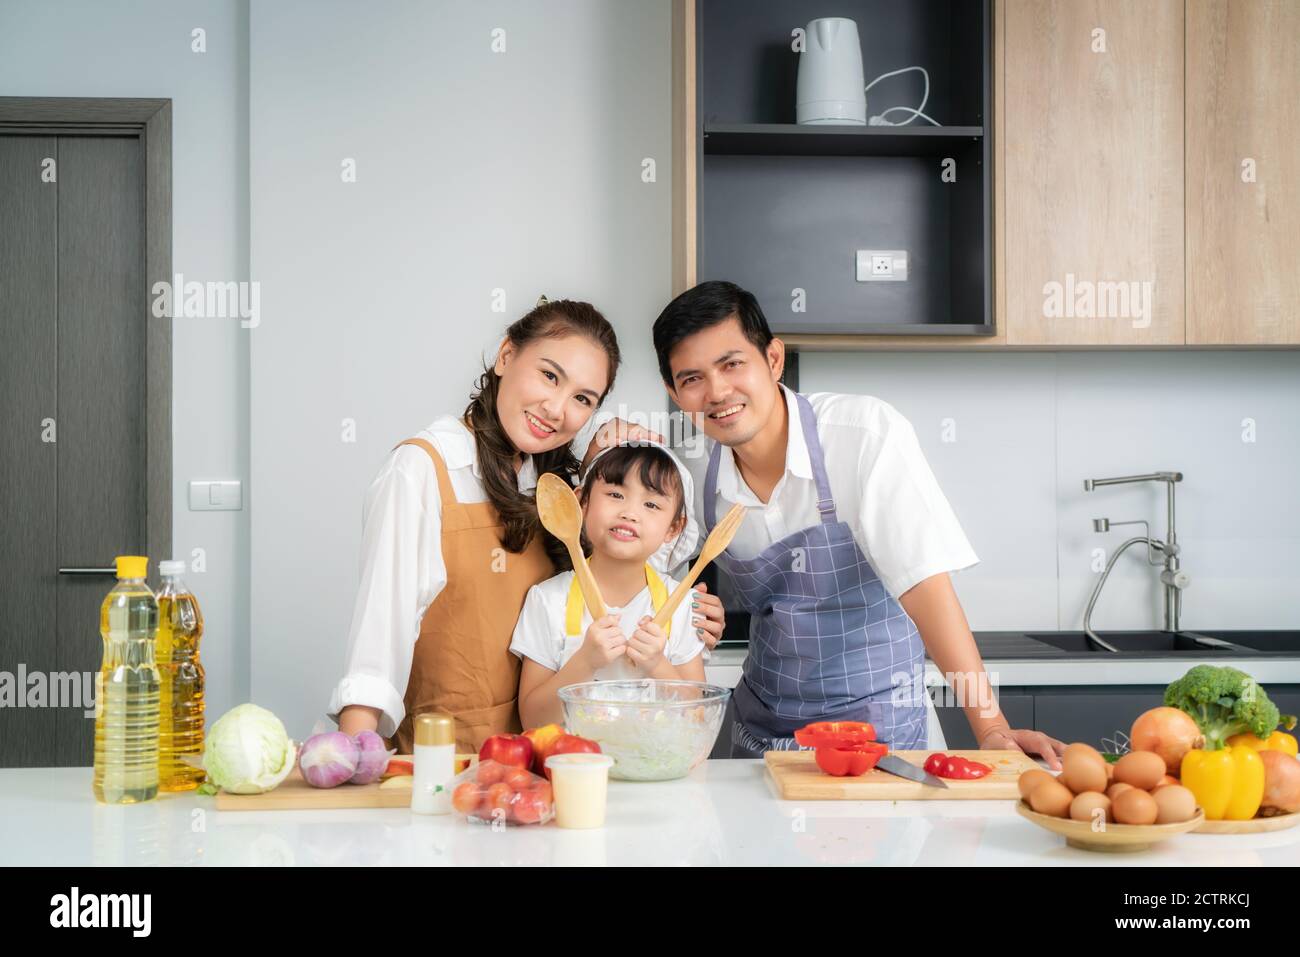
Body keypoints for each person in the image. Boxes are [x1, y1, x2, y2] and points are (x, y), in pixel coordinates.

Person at [651, 280, 1065, 767]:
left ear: (774, 359)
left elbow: (925, 587)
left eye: (732, 363)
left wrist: (991, 727)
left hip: (884, 733)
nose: (718, 392)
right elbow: (640, 576)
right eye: (692, 377)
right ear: (675, 393)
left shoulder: (862, 434)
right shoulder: (693, 470)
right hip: (764, 735)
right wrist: (615, 460)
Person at [327, 298, 724, 753]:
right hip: (449, 761)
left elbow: (625, 559)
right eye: (549, 376)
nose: (557, 409)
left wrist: (691, 612)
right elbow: (378, 637)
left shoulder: (552, 485)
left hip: (546, 763)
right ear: (506, 356)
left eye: (582, 399)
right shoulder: (423, 469)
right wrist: (353, 758)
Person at [512, 442, 706, 728]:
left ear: (673, 528)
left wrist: (658, 665)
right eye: (615, 494)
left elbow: (698, 719)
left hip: (655, 770)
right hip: (573, 769)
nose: (630, 512)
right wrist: (585, 661)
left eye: (651, 504)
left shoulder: (682, 605)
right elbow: (533, 721)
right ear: (582, 504)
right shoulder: (548, 600)